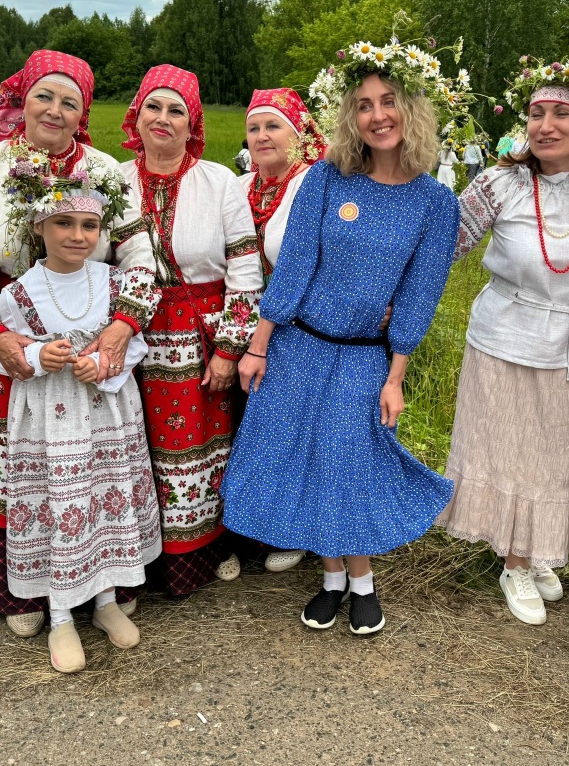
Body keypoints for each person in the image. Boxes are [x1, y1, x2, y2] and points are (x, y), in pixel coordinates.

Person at [222, 37, 462, 636]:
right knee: (306, 460)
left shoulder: (435, 202)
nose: (377, 115)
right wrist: (258, 345)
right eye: (363, 104)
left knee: (352, 463)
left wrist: (396, 376)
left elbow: (420, 295)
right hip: (299, 346)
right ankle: (331, 580)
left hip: (363, 359)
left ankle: (363, 582)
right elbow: (295, 264)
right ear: (350, 116)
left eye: (388, 101)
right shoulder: (329, 179)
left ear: (411, 109)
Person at [0, 50, 159, 638]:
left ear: (82, 113)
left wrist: (122, 326)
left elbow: (139, 257)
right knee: (29, 469)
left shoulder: (103, 169)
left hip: (96, 322)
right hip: (12, 325)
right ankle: (37, 595)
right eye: (45, 96)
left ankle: (107, 588)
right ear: (22, 99)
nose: (55, 111)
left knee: (99, 470)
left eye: (70, 102)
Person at [436, 59, 569, 625]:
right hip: (502, 335)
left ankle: (536, 548)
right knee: (509, 450)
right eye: (536, 113)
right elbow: (445, 244)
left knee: (556, 454)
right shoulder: (501, 183)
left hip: (568, 340)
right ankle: (515, 562)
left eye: (561, 113)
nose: (545, 125)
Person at [0, 182, 161, 673]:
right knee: (60, 501)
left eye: (90, 226)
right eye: (64, 223)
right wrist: (38, 356)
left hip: (107, 411)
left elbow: (134, 344)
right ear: (39, 226)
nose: (78, 236)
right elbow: (0, 355)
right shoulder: (18, 293)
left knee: (105, 496)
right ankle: (60, 614)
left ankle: (106, 600)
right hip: (50, 417)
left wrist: (103, 364)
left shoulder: (113, 282)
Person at [116, 65, 263, 597]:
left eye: (176, 110)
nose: (163, 118)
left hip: (199, 336)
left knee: (203, 447)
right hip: (130, 336)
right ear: (137, 116)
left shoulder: (218, 181)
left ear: (192, 123)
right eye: (153, 107)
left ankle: (207, 550)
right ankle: (137, 560)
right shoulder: (112, 179)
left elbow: (245, 271)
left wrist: (228, 349)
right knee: (135, 446)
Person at [238, 87, 327, 575]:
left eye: (273, 126)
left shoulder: (313, 182)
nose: (262, 136)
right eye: (253, 128)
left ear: (299, 134)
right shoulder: (241, 186)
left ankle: (300, 529)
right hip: (245, 319)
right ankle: (260, 523)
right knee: (260, 429)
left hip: (300, 325)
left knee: (298, 427)